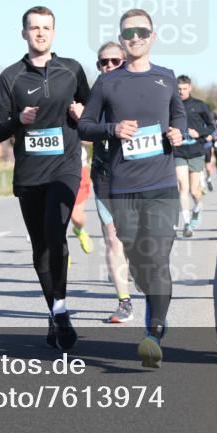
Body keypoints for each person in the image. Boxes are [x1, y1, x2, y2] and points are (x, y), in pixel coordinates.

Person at [79, 9, 185, 368]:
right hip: (122, 187)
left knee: (156, 257)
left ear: (152, 36)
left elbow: (178, 115)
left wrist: (177, 132)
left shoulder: (166, 77)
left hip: (162, 184)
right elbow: (85, 126)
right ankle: (150, 300)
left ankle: (154, 329)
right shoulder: (108, 83)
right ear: (122, 39)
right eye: (128, 33)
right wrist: (112, 130)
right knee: (139, 262)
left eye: (142, 31)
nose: (135, 37)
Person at [0, 6, 90, 351]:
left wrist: (82, 114)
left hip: (65, 166)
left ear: (55, 32)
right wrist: (18, 118)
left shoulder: (72, 70)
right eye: (34, 28)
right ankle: (56, 311)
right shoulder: (10, 77)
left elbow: (92, 114)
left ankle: (59, 310)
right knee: (40, 247)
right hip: (30, 172)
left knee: (54, 231)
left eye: (46, 27)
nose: (41, 33)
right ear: (24, 34)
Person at [91, 42, 134, 323]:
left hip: (138, 173)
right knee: (112, 238)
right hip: (105, 173)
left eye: (114, 61)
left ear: (125, 60)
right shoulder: (95, 91)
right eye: (102, 63)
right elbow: (83, 127)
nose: (108, 67)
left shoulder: (139, 89)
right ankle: (124, 302)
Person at [173, 75, 215, 238]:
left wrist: (199, 133)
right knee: (182, 187)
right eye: (179, 89)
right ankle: (187, 223)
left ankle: (198, 206)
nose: (181, 92)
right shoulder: (172, 106)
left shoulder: (199, 105)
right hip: (179, 152)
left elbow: (211, 127)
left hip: (196, 152)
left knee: (194, 190)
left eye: (184, 88)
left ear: (190, 88)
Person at [69, 144, 95, 256]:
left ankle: (79, 230)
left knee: (77, 218)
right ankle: (61, 255)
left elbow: (91, 137)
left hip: (78, 169)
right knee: (57, 217)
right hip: (52, 168)